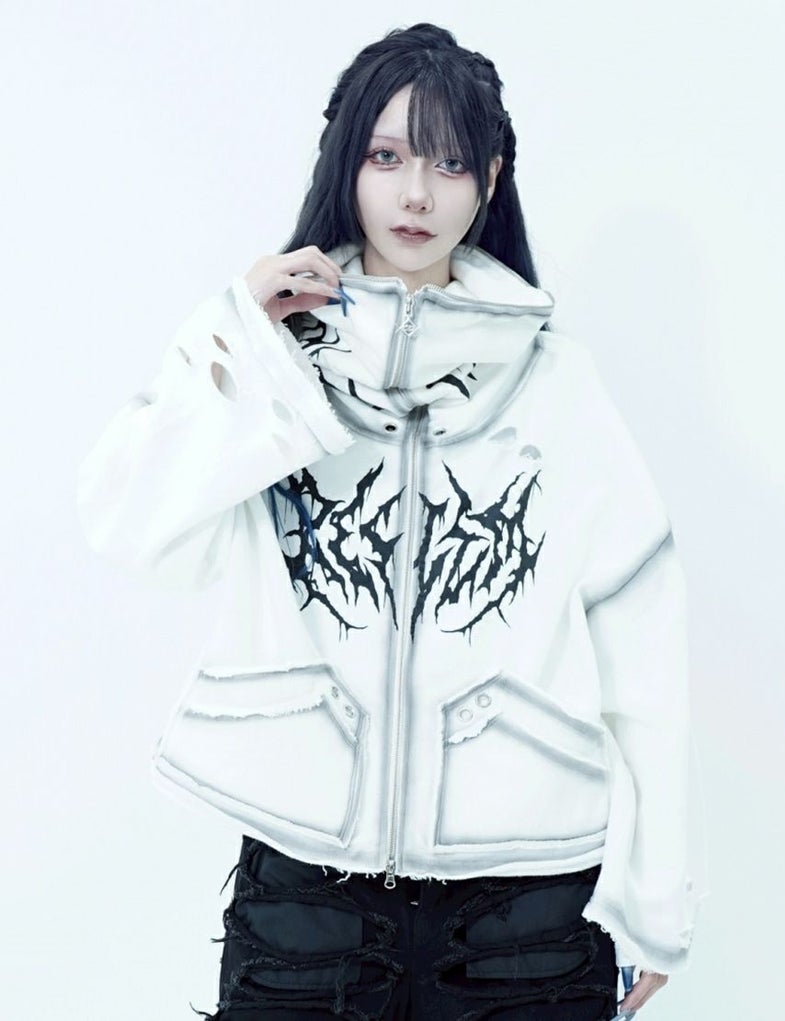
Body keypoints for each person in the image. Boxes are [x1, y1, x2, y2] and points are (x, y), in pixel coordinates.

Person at [76, 21, 709, 1021]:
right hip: (306, 904)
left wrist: (654, 899)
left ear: (488, 180)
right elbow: (127, 521)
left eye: (448, 164)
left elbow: (644, 649)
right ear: (346, 163)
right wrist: (236, 337)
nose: (416, 194)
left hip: (525, 909)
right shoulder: (277, 362)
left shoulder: (556, 385)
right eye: (387, 157)